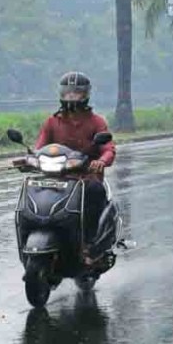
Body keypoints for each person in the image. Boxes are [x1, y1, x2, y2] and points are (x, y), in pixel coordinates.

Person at [34, 72, 116, 262]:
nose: (71, 96)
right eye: (67, 92)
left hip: (85, 178)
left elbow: (108, 149)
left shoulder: (97, 122)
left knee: (96, 191)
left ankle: (90, 243)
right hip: (56, 178)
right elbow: (39, 147)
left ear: (85, 95)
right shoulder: (52, 122)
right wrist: (29, 159)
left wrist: (101, 161)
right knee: (34, 191)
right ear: (61, 94)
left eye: (76, 93)